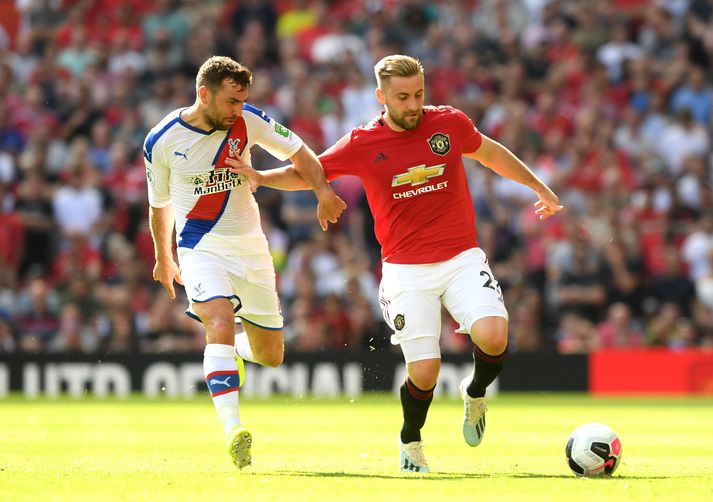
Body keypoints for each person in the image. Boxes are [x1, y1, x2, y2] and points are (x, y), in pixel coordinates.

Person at [226, 54, 562, 473]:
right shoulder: (363, 141)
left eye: (419, 93)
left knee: (494, 337)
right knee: (424, 371)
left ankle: (475, 394)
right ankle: (410, 440)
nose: (413, 104)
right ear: (381, 96)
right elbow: (313, 172)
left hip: (460, 256)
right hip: (405, 270)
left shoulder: (449, 122)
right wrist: (261, 177)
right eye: (402, 97)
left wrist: (539, 186)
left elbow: (491, 154)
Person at [144, 56, 345, 469]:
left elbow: (301, 151)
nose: (238, 109)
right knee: (217, 323)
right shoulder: (161, 140)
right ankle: (234, 429)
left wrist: (322, 192)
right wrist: (164, 257)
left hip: (252, 248)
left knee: (270, 355)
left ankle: (232, 352)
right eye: (232, 101)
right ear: (204, 94)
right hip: (200, 246)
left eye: (243, 100)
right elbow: (159, 205)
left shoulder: (249, 121)